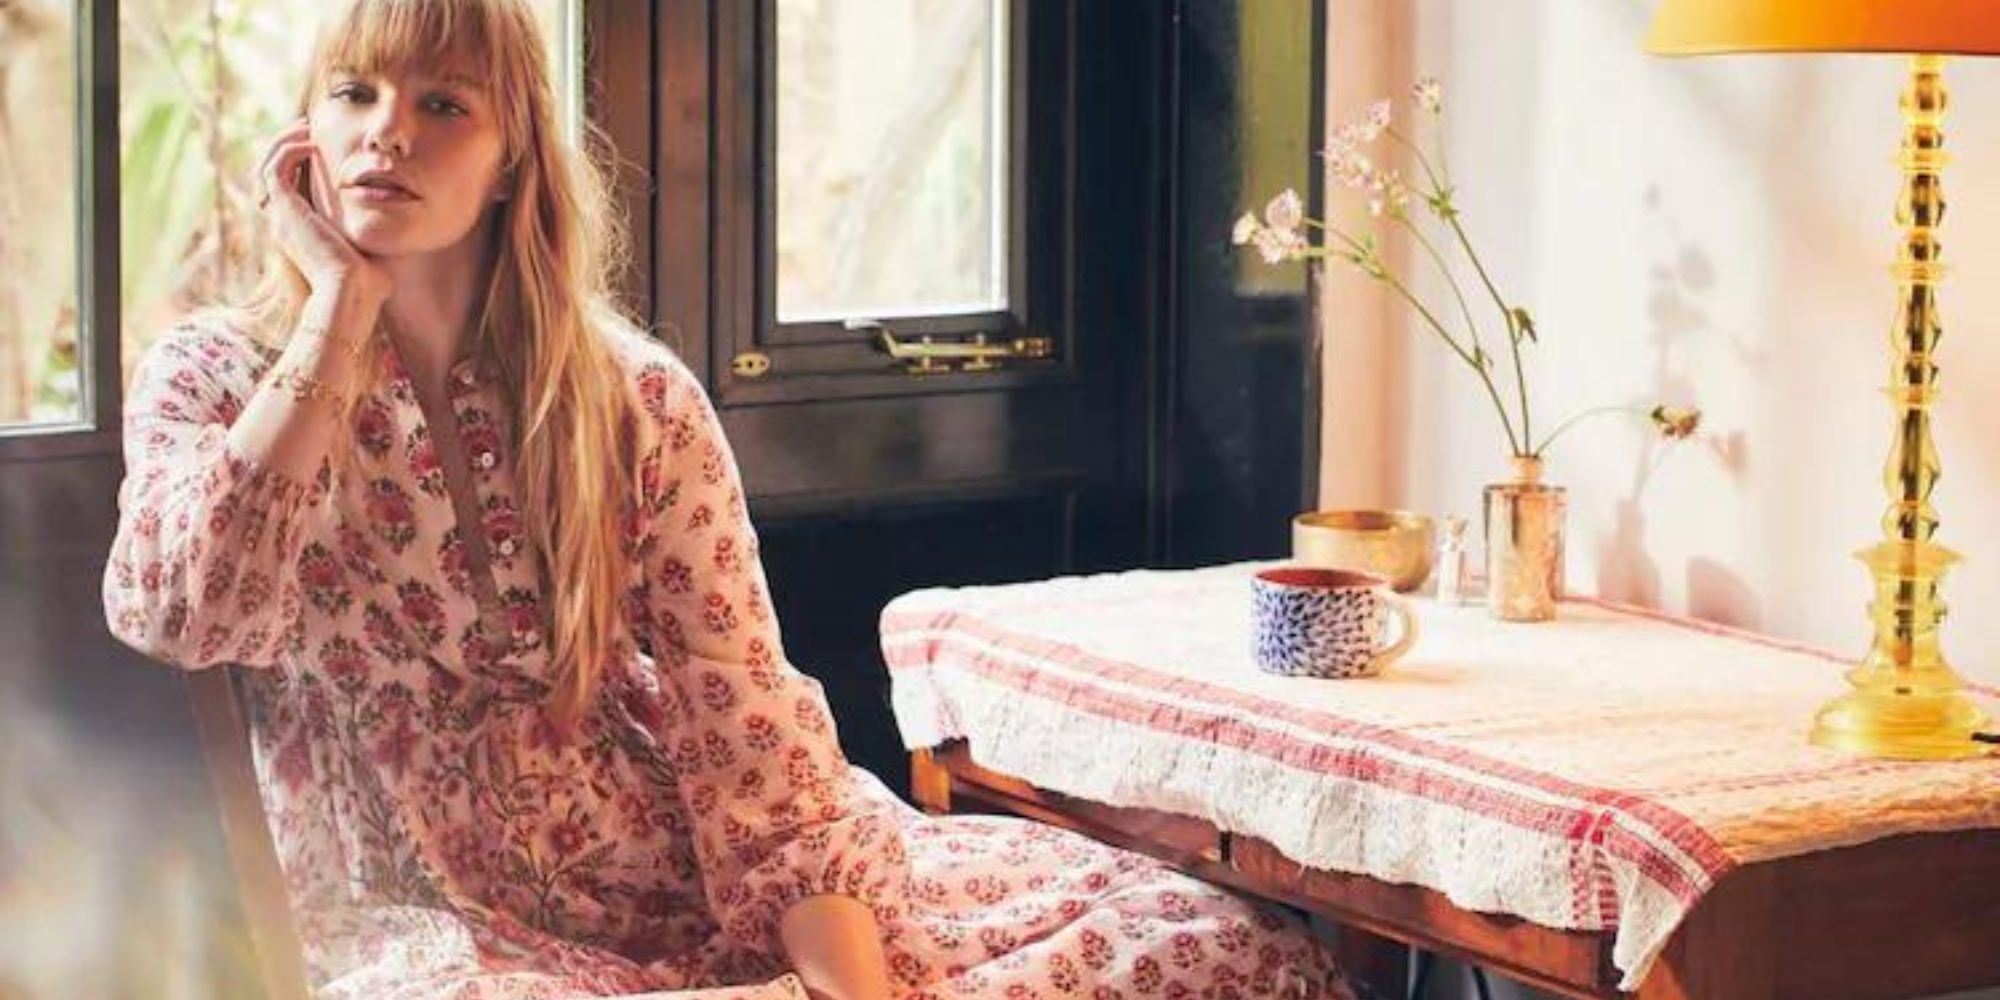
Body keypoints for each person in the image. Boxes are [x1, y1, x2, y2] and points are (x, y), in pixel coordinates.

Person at [102, 1, 1356, 997]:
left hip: (693, 884)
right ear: (302, 138)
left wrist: (846, 986)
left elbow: (746, 729)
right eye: (355, 93)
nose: (387, 132)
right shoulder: (217, 374)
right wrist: (334, 315)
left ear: (507, 163)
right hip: (417, 918)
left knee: (1209, 945)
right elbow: (179, 611)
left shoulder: (628, 397)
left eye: (443, 103)